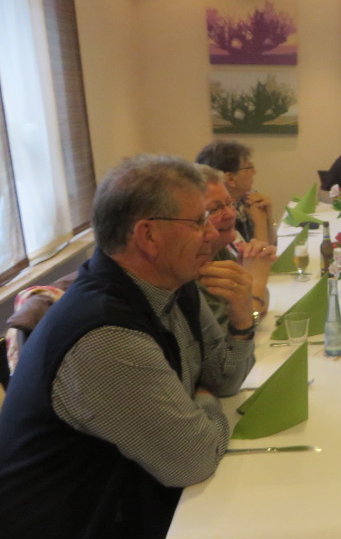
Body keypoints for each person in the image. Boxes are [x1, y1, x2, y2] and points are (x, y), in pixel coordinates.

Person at [0, 155, 256, 539]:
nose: (210, 233)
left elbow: (224, 379)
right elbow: (194, 459)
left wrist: (241, 319)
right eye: (197, 221)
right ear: (148, 235)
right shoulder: (104, 337)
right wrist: (203, 401)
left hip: (139, 501)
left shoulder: (174, 283)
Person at [196, 164, 277, 328]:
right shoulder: (192, 269)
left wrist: (252, 292)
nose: (230, 214)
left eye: (229, 203)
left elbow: (261, 307)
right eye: (215, 209)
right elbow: (234, 334)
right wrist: (255, 286)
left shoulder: (218, 250)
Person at [196, 140, 277, 245]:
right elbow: (259, 254)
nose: (254, 172)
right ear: (230, 178)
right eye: (249, 168)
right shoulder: (221, 217)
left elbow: (273, 246)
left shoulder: (247, 199)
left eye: (229, 203)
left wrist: (268, 218)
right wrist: (260, 222)